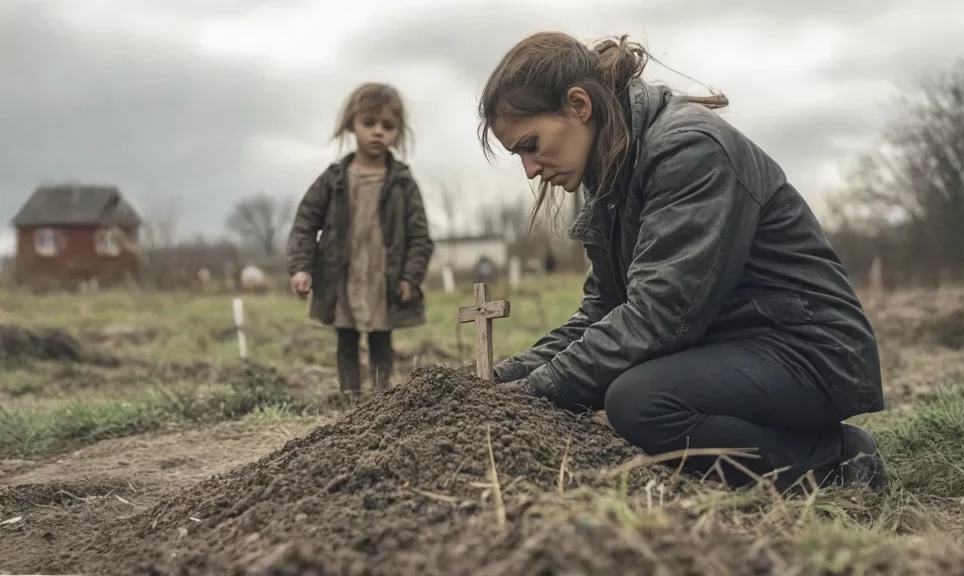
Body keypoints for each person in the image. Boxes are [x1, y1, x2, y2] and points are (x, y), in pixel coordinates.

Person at [477, 32, 889, 494]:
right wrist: (502, 380)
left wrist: (534, 394)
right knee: (630, 388)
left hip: (811, 349)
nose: (531, 169)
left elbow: (660, 317)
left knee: (640, 401)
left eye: (531, 145)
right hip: (738, 346)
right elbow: (602, 312)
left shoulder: (688, 150)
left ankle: (835, 461)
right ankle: (794, 442)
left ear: (578, 105)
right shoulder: (613, 168)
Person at [286, 82, 434, 402]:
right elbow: (305, 223)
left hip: (384, 279)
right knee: (347, 340)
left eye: (388, 126)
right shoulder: (334, 178)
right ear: (352, 124)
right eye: (369, 123)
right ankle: (350, 403)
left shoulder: (402, 182)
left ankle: (382, 404)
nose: (378, 132)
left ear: (398, 131)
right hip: (344, 278)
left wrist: (410, 277)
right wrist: (301, 268)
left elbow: (420, 236)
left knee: (382, 341)